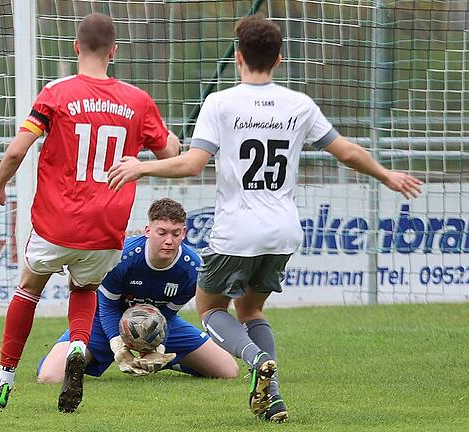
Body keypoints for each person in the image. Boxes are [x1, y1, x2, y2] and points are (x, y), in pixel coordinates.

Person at [108, 14, 422, 422]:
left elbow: (191, 164)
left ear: (239, 57)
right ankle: (271, 398)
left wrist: (141, 167)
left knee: (209, 310)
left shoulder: (221, 102)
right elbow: (344, 151)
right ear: (278, 59)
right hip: (283, 231)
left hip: (238, 230)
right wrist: (386, 175)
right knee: (251, 311)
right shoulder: (298, 104)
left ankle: (256, 360)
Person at [0, 13, 180, 412]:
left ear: (76, 47)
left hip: (56, 222)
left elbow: (19, 149)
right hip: (106, 228)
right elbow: (169, 154)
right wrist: (169, 137)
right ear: (114, 51)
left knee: (28, 288)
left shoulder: (56, 93)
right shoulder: (138, 101)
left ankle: (4, 382)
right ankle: (77, 346)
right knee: (85, 289)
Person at [36, 198, 239, 382]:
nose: (169, 240)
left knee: (228, 370)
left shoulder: (192, 269)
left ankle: (167, 361)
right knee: (50, 376)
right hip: (104, 320)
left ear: (183, 233)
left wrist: (158, 347)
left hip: (157, 324)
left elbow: (167, 314)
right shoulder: (122, 257)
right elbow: (106, 307)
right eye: (162, 232)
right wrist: (118, 345)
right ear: (148, 231)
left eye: (176, 233)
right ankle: (90, 357)